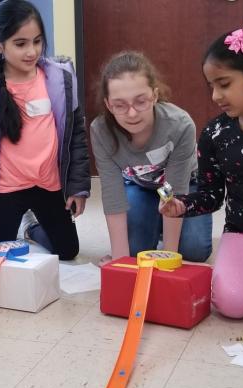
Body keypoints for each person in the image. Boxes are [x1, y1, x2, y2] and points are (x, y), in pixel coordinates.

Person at [159, 28, 243, 324]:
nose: (216, 96)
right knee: (230, 302)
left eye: (225, 84)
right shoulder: (217, 133)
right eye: (211, 86)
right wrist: (182, 206)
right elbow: (211, 196)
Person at [0, 0, 90, 260]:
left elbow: (76, 137)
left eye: (37, 41)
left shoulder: (60, 79)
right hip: (7, 188)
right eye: (21, 44)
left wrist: (77, 187)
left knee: (67, 251)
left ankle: (30, 226)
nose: (32, 51)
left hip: (48, 184)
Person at [91, 51, 212, 266]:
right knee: (135, 250)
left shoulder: (180, 124)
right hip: (141, 185)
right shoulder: (100, 131)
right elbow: (112, 194)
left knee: (194, 250)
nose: (132, 114)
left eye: (141, 101)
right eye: (120, 105)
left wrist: (168, 257)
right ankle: (153, 222)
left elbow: (175, 190)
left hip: (185, 185)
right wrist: (120, 261)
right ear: (108, 105)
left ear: (155, 95)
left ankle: (159, 225)